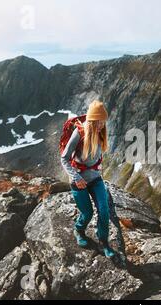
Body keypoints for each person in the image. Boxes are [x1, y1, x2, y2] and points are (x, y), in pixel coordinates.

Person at [60, 100, 115, 257]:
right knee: (87, 213)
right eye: (99, 122)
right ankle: (79, 230)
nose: (102, 125)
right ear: (92, 121)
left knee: (104, 210)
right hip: (79, 181)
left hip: (95, 178)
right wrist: (77, 177)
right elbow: (64, 159)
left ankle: (104, 242)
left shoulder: (100, 132)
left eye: (103, 122)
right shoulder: (80, 133)